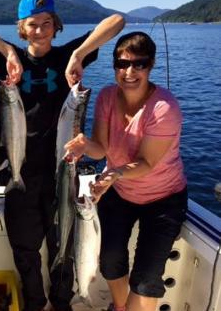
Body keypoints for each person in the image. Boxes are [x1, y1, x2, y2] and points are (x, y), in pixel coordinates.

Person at [0, 0, 125, 311]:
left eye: (46, 23)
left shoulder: (67, 56)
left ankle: (62, 301)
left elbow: (117, 21)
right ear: (22, 27)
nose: (40, 30)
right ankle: (36, 303)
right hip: (17, 171)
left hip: (62, 170)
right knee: (25, 248)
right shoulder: (7, 60)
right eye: (32, 24)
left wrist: (80, 53)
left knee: (62, 241)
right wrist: (7, 50)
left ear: (55, 24)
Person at [65, 31, 187, 311]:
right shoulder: (107, 96)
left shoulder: (164, 108)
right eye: (122, 64)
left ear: (151, 65)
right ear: (114, 66)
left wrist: (114, 174)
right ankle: (119, 306)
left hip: (163, 199)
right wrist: (84, 145)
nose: (129, 72)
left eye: (139, 64)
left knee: (146, 279)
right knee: (109, 260)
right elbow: (101, 149)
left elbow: (146, 163)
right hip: (119, 192)